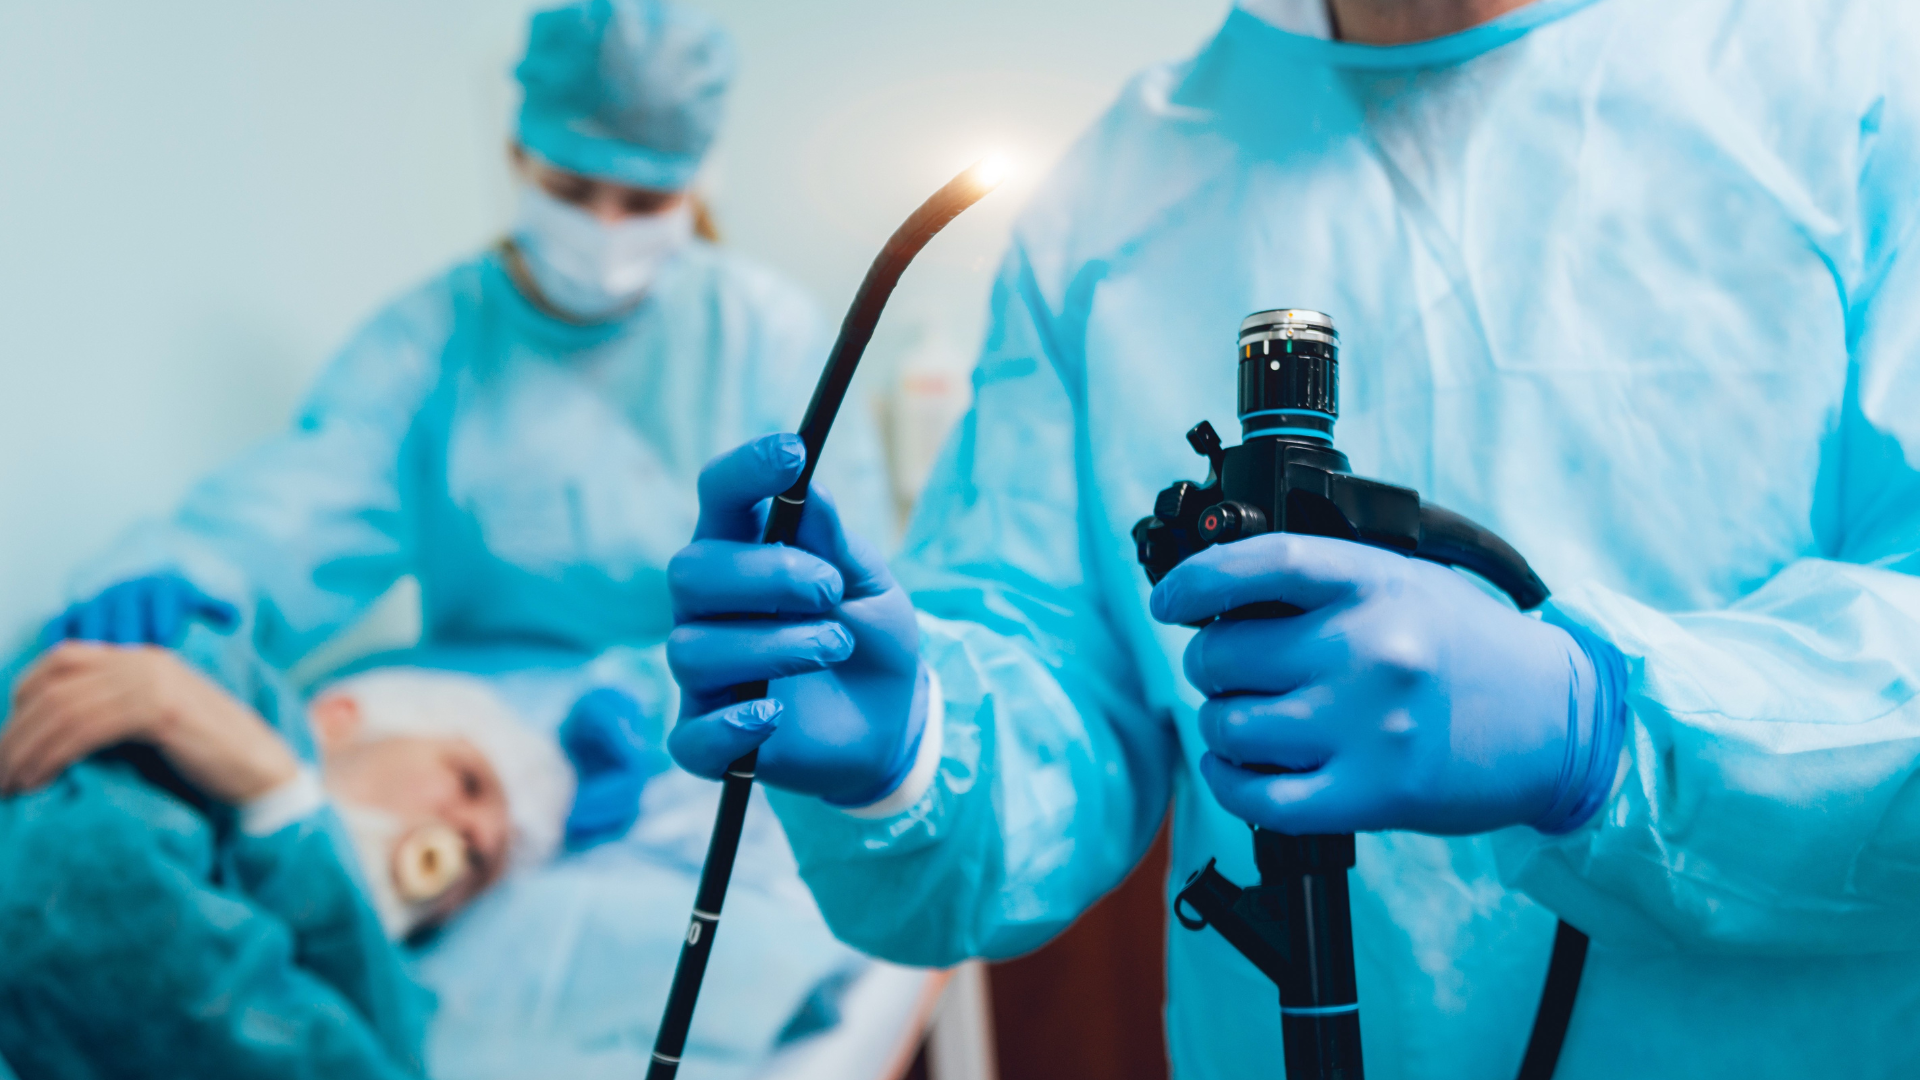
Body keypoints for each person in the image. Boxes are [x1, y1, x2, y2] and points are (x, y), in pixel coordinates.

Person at [661, 0, 1920, 1077]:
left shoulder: (1856, 83)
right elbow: (1051, 692)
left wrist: (1603, 723)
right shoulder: (1118, 193)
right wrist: (913, 747)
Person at [42, 0, 886, 689]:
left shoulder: (763, 330)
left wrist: (648, 705)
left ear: (693, 187)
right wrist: (195, 573)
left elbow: (834, 577)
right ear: (517, 155)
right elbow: (306, 496)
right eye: (573, 187)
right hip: (477, 718)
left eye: (642, 201)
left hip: (712, 716)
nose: (604, 228)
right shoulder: (427, 338)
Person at [0, 637, 573, 1078]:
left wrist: (280, 801)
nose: (473, 837)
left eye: (483, 870)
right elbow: (65, 927)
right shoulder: (196, 688)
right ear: (339, 719)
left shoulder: (403, 1006)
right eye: (467, 782)